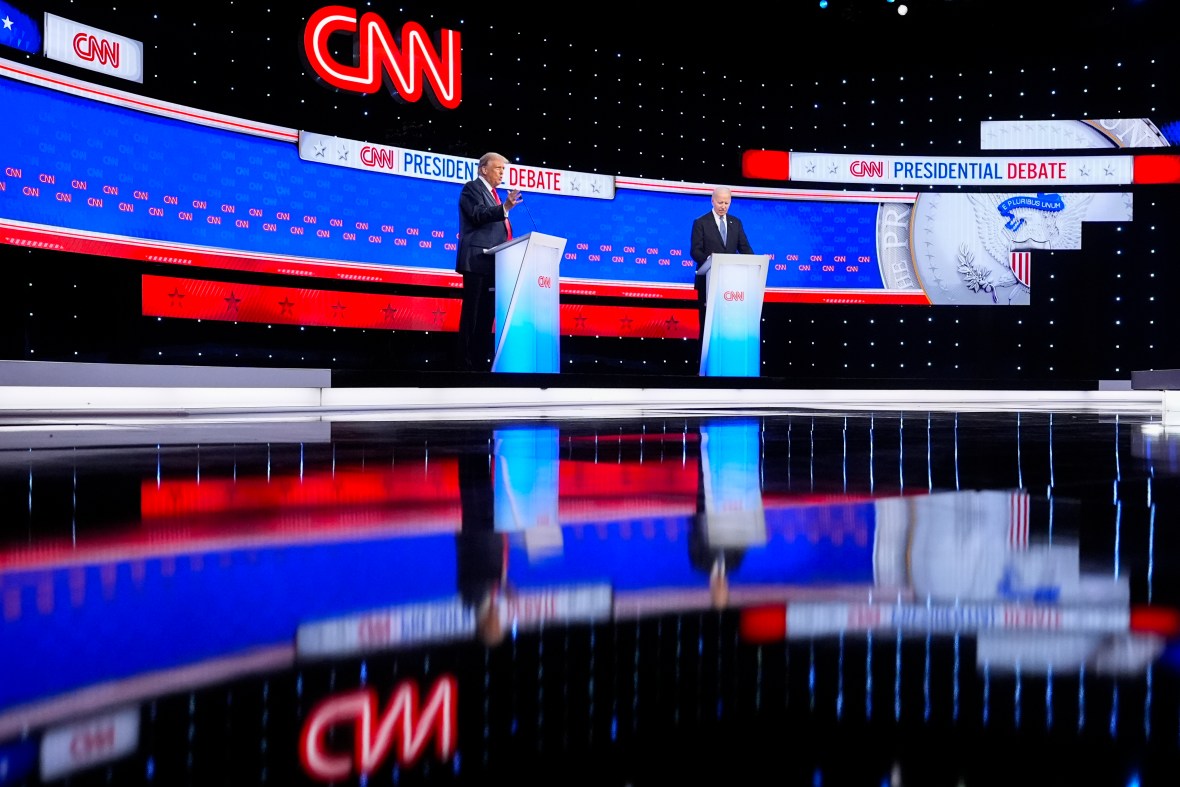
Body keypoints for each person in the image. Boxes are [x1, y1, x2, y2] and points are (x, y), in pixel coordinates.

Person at [455, 152, 523, 371]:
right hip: (476, 261)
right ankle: (463, 363)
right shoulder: (471, 188)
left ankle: (479, 362)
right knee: (472, 313)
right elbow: (477, 215)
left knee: (487, 314)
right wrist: (504, 208)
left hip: (495, 263)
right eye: (498, 168)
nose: (502, 173)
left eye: (504, 169)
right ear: (484, 169)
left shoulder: (494, 194)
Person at [689, 186, 755, 338]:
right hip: (708, 281)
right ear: (712, 201)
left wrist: (755, 262)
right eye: (720, 202)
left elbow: (745, 248)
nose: (723, 206)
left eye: (726, 203)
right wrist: (711, 261)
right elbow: (695, 251)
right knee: (707, 325)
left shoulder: (736, 223)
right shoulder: (701, 222)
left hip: (730, 284)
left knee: (726, 324)